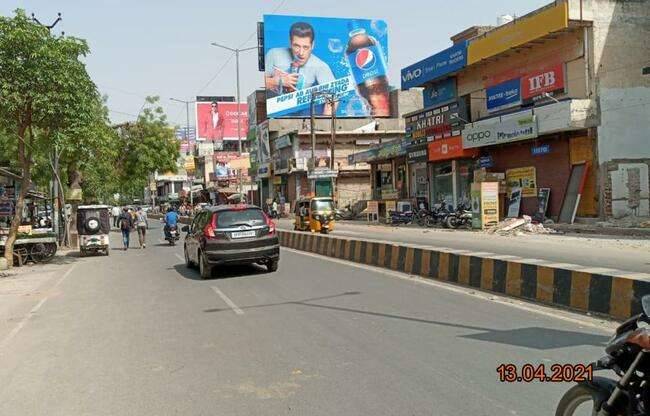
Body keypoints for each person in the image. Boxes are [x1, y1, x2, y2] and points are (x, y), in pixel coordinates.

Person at [264, 21, 336, 116]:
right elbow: (260, 83)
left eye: (306, 47)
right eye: (296, 46)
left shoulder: (320, 65)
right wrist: (279, 81)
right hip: (273, 114)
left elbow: (334, 95)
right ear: (290, 42)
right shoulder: (274, 54)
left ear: (312, 45)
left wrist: (326, 123)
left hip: (300, 117)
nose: (301, 53)